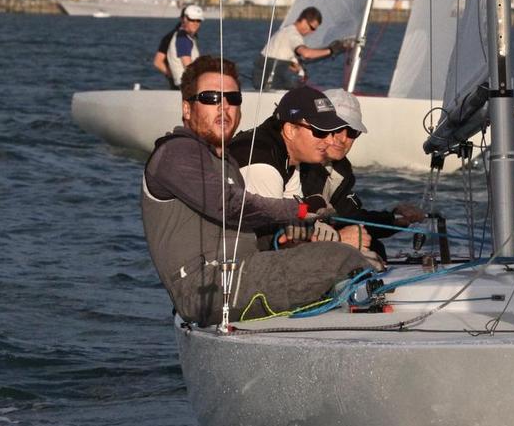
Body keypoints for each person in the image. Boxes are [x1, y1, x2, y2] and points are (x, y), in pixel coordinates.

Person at [141, 55, 370, 327]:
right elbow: (229, 205)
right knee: (341, 258)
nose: (223, 107)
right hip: (206, 289)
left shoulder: (223, 161)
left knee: (342, 258)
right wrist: (299, 211)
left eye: (232, 99)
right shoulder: (176, 152)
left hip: (237, 273)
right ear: (187, 109)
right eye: (211, 98)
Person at [227, 86, 378, 266]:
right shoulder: (262, 165)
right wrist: (338, 241)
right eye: (321, 131)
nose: (331, 140)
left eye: (332, 131)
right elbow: (268, 244)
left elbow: (292, 224)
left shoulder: (288, 158)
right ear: (290, 130)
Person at [300, 89, 426, 260]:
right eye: (336, 128)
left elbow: (351, 218)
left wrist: (394, 218)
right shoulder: (298, 166)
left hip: (322, 247)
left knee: (374, 247)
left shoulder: (341, 170)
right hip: (294, 254)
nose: (342, 138)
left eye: (351, 131)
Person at [252, 6, 354, 91]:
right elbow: (306, 53)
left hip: (264, 78)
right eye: (312, 28)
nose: (312, 32)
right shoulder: (293, 35)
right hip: (268, 83)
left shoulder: (287, 31)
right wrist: (331, 50)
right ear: (304, 21)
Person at [153, 4, 203, 90]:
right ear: (183, 19)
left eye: (198, 20)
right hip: (183, 83)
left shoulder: (186, 36)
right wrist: (173, 75)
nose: (195, 23)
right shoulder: (179, 38)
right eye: (191, 19)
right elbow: (158, 62)